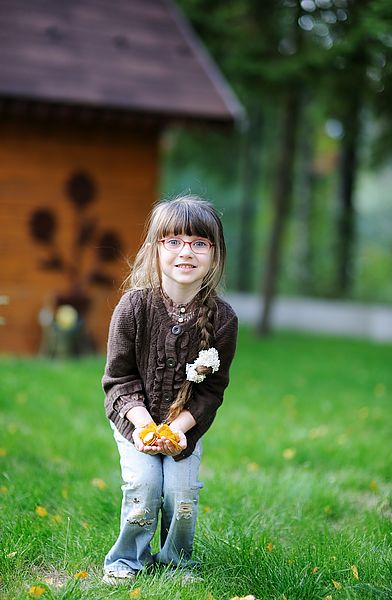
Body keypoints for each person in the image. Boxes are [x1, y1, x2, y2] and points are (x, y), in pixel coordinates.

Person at [101, 195, 238, 583]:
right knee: (145, 485)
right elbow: (118, 379)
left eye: (199, 243)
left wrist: (177, 430)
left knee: (181, 496)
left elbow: (212, 391)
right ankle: (127, 560)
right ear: (155, 248)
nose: (186, 252)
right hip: (135, 421)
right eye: (173, 241)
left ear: (214, 254)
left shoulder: (224, 320)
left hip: (184, 428)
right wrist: (145, 426)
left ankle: (177, 561)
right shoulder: (133, 308)